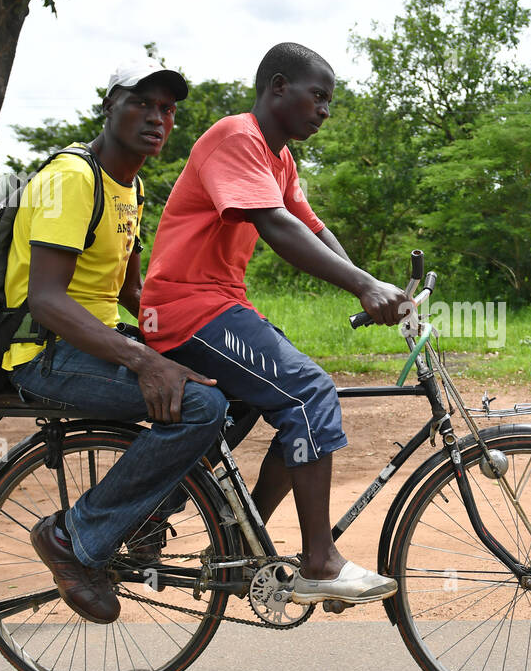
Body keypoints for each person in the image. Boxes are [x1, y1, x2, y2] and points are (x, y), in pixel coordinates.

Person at [139, 42, 407, 606]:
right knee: (310, 393)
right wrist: (363, 287)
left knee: (289, 402)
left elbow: (311, 228)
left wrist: (378, 284)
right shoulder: (237, 137)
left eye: (329, 102)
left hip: (216, 307)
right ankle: (319, 561)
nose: (325, 111)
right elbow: (277, 228)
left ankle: (241, 538)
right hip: (187, 309)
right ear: (278, 86)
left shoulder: (278, 158)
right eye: (318, 97)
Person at [4, 61, 229, 624]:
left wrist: (205, 336)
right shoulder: (71, 179)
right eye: (142, 104)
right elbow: (47, 299)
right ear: (109, 107)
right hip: (44, 351)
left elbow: (131, 291)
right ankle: (72, 538)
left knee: (236, 383)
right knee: (202, 405)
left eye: (167, 110)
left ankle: (144, 517)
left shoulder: (131, 186)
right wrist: (145, 362)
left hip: (99, 339)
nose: (157, 118)